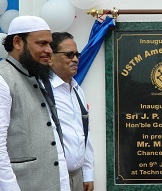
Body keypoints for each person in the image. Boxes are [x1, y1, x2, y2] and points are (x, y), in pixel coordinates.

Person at [0, 16, 70, 191]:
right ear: (18, 42)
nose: (49, 50)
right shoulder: (3, 80)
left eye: (50, 44)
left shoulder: (36, 76)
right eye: (42, 44)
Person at [48, 32, 94, 191]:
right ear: (51, 57)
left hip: (77, 176)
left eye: (76, 55)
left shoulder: (77, 90)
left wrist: (88, 173)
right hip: (54, 178)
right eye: (69, 55)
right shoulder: (43, 90)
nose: (75, 59)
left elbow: (85, 133)